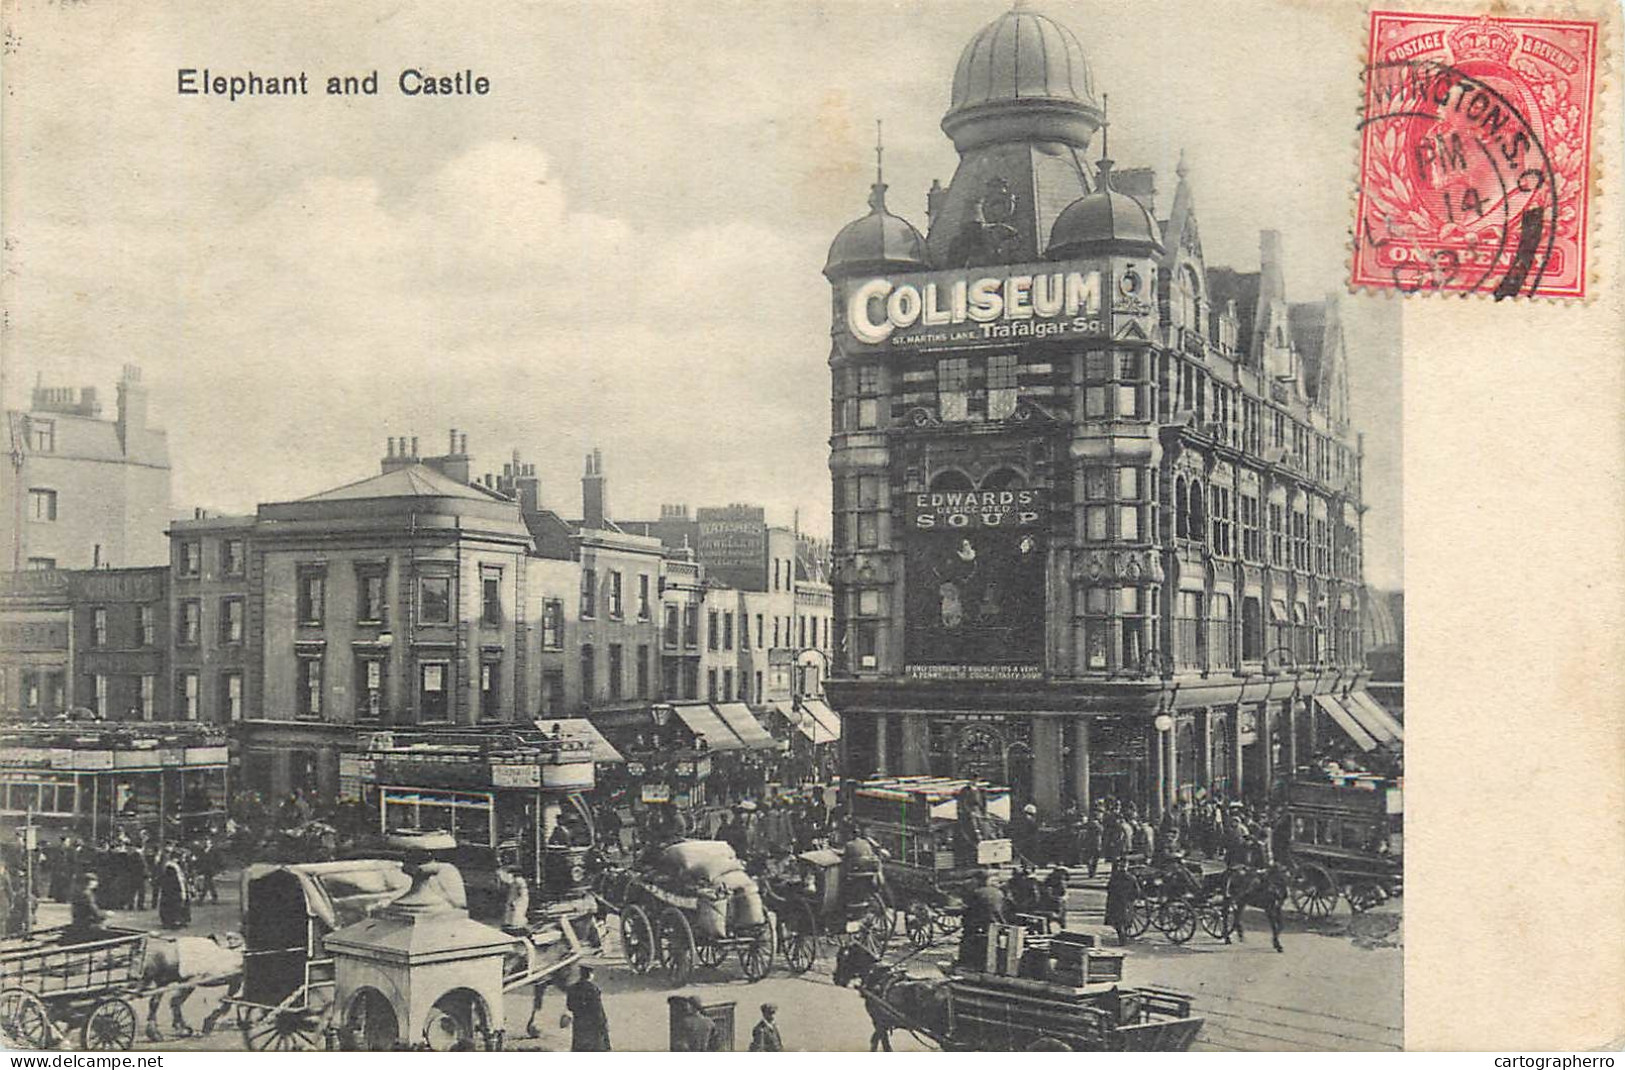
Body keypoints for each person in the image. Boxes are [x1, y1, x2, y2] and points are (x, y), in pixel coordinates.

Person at [957, 869, 1007, 968]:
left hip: (982, 924)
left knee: (967, 934)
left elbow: (970, 910)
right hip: (998, 923)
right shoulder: (999, 892)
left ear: (979, 880)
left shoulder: (977, 892)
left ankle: (965, 963)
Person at [562, 965, 610, 1051]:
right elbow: (598, 1008)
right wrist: (603, 1023)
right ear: (590, 974)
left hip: (579, 1023)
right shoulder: (593, 989)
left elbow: (570, 1006)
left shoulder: (572, 988)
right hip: (593, 1023)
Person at [156, 848, 191, 929]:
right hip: (173, 889)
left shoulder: (178, 865)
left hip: (177, 888)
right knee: (173, 904)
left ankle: (180, 920)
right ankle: (171, 921)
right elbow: (172, 880)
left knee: (179, 904)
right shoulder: (171, 867)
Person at [68, 872, 108, 940]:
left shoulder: (78, 892)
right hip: (87, 925)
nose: (97, 883)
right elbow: (95, 912)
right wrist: (106, 914)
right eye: (95, 881)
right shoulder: (87, 895)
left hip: (77, 922)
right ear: (90, 882)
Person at [1105, 863, 1137, 945]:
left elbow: (1109, 888)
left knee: (1117, 922)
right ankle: (1123, 936)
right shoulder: (1131, 878)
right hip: (1126, 902)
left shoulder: (1115, 877)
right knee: (1125, 920)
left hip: (1116, 902)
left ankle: (1122, 937)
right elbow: (1136, 891)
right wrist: (1132, 899)